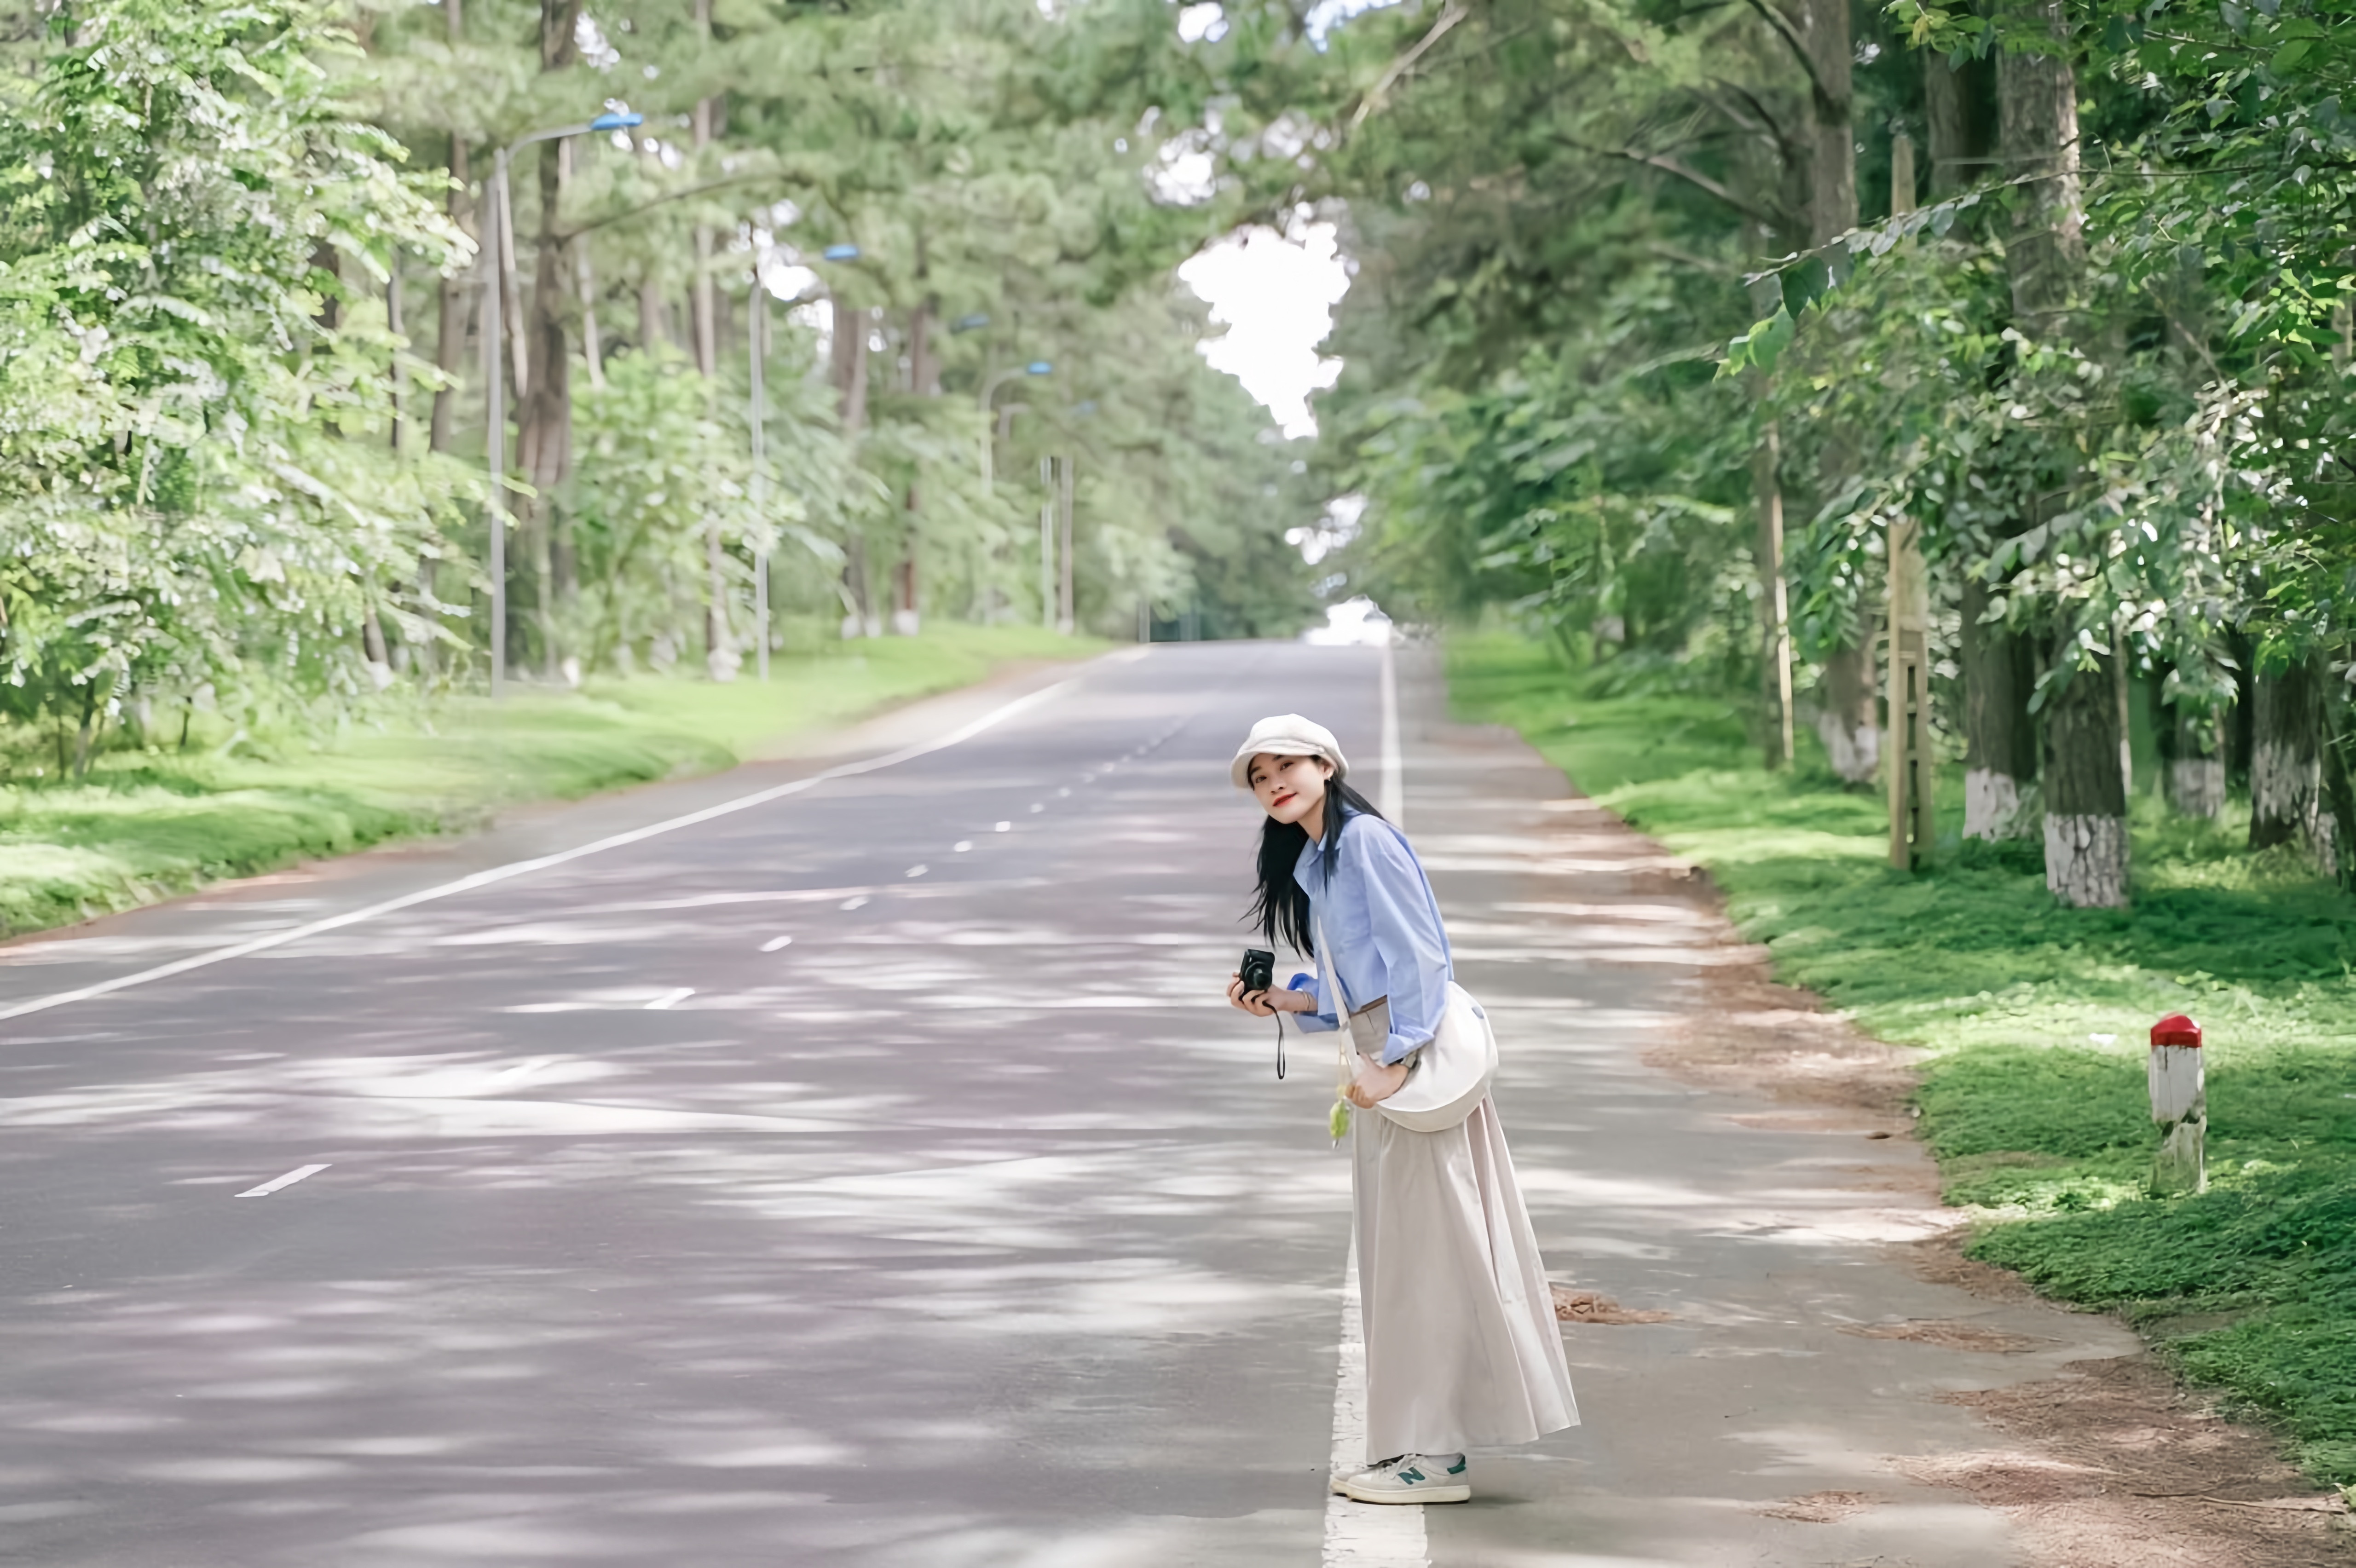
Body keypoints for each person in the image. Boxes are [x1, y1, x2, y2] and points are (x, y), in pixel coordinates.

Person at [1223, 713, 1577, 1505]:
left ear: (1325, 764)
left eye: (1287, 765)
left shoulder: (1365, 844)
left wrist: (1395, 1059)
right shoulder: (1321, 857)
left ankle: (1439, 1457)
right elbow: (1357, 979)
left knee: (1431, 1256)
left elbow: (1422, 956)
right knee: (1409, 1257)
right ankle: (1421, 1442)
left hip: (1408, 1060)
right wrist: (1289, 997)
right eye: (1259, 775)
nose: (1274, 782)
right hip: (1382, 1055)